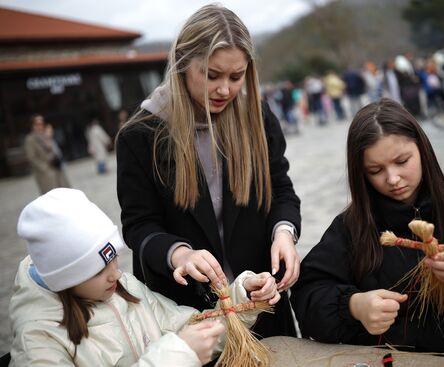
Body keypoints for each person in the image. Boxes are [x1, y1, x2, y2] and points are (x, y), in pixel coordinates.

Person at [291, 98, 444, 363]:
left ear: (422, 149)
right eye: (375, 170)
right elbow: (308, 295)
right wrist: (353, 306)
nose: (393, 179)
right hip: (385, 359)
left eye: (402, 161)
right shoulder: (352, 227)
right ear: (360, 174)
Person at [116, 4, 301, 339]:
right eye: (212, 75)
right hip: (189, 318)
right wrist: (179, 254)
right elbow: (139, 225)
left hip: (262, 303)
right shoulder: (140, 136)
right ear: (183, 63)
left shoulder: (257, 117)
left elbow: (281, 189)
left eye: (236, 76)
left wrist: (284, 233)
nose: (225, 90)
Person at [10, 188, 280, 366]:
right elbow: (182, 347)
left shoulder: (124, 287)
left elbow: (188, 326)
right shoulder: (37, 339)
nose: (115, 273)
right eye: (97, 271)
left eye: (113, 258)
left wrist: (242, 296)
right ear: (65, 278)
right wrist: (179, 356)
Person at [23, 114, 70, 194]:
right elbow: (31, 157)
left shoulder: (46, 135)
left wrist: (49, 137)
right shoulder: (30, 139)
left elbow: (54, 150)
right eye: (38, 124)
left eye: (42, 123)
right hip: (46, 173)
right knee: (51, 196)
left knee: (64, 193)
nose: (41, 126)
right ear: (33, 125)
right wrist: (45, 168)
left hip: (57, 168)